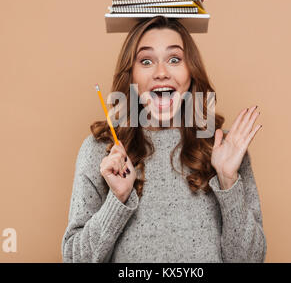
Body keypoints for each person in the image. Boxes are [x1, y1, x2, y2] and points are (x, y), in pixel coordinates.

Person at [61, 15, 266, 262]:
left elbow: (250, 260)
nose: (161, 72)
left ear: (191, 71)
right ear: (132, 75)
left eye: (174, 59)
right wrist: (117, 200)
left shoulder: (223, 148)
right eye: (146, 61)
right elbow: (75, 260)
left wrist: (227, 180)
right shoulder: (101, 150)